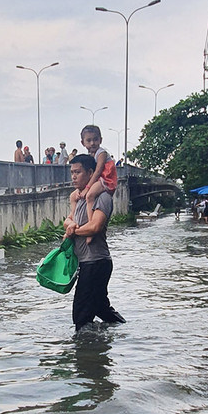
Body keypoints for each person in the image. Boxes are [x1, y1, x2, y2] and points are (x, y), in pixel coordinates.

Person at [64, 153, 125, 331]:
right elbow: (67, 220)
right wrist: (70, 226)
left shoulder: (102, 197)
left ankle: (85, 353)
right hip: (86, 262)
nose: (74, 176)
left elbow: (95, 226)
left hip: (96, 262)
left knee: (80, 316)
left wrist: (73, 231)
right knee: (101, 308)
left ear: (91, 173)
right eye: (72, 172)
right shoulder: (77, 198)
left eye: (78, 172)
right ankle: (122, 332)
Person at [75, 125, 116, 214]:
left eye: (95, 139)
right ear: (83, 143)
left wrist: (87, 188)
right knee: (74, 196)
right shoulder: (90, 155)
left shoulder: (101, 153)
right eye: (88, 140)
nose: (92, 143)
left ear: (100, 140)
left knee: (90, 195)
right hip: (99, 180)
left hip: (105, 180)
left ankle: (91, 222)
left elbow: (98, 171)